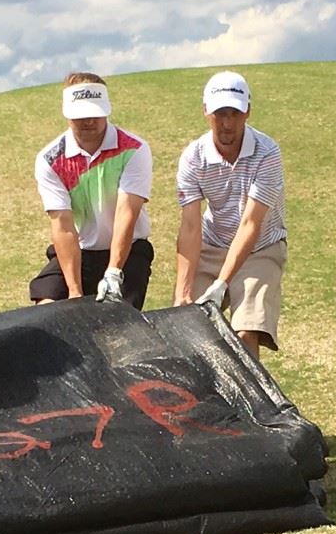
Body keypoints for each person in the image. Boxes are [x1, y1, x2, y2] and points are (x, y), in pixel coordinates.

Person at [173, 70, 287, 361]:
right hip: (213, 245)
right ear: (205, 112)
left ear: (248, 111)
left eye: (234, 114)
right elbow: (189, 226)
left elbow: (251, 224)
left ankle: (252, 405)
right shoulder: (193, 157)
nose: (226, 124)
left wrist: (222, 283)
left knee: (245, 331)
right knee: (188, 323)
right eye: (219, 114)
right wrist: (183, 292)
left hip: (260, 248)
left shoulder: (267, 152)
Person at [29, 72, 154, 309]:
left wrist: (114, 272)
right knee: (47, 307)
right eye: (80, 116)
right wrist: (74, 291)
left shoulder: (134, 149)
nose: (89, 121)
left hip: (128, 251)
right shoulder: (50, 159)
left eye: (95, 114)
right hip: (80, 249)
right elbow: (62, 225)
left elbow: (126, 214)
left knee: (117, 320)